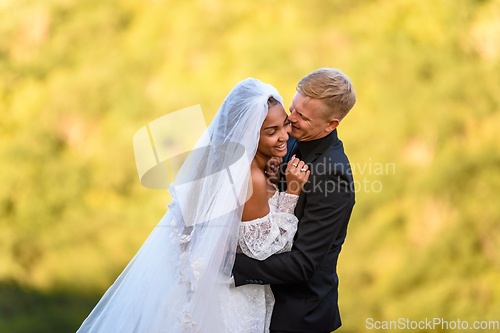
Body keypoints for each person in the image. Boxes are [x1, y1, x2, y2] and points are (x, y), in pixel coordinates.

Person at [76, 77, 309, 332]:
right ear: (250, 134)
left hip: (198, 287)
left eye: (285, 124)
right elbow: (267, 248)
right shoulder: (250, 176)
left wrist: (270, 174)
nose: (284, 136)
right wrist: (292, 192)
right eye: (271, 131)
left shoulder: (217, 161)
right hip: (230, 298)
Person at [232, 68, 357, 333]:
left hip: (296, 317)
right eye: (293, 108)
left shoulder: (333, 176)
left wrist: (228, 264)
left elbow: (302, 265)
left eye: (303, 117)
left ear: (331, 124)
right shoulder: (288, 137)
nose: (292, 119)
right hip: (255, 303)